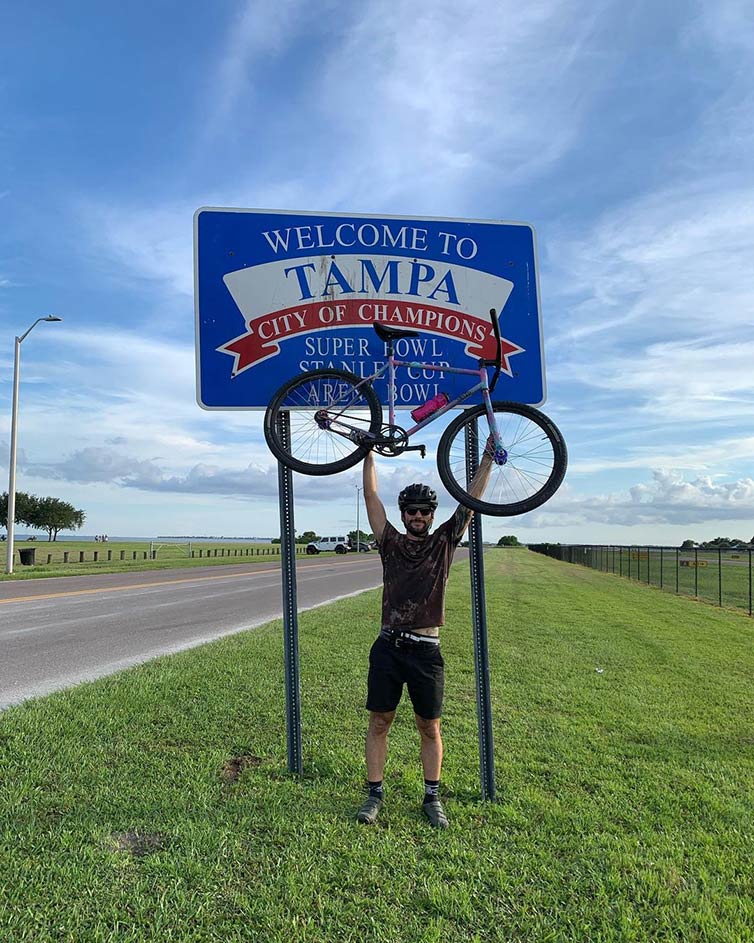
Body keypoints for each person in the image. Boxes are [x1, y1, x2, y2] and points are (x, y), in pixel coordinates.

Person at [357, 445, 493, 828]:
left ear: (432, 516)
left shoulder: (444, 542)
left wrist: (486, 461)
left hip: (426, 652)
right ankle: (374, 795)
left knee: (429, 725)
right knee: (380, 720)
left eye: (424, 511)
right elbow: (371, 497)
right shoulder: (390, 541)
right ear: (403, 515)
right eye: (411, 511)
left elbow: (470, 502)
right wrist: (368, 456)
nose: (418, 516)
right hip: (388, 646)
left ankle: (432, 797)